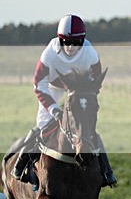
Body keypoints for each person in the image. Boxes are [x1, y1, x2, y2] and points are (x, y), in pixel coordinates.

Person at [12, 14, 117, 188]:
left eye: (74, 42)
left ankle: (107, 171)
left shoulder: (90, 54)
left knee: (86, 127)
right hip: (52, 87)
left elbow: (95, 82)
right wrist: (53, 108)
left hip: (78, 89)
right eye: (65, 41)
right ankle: (22, 164)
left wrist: (85, 101)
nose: (69, 47)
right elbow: (38, 84)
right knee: (43, 124)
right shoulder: (50, 53)